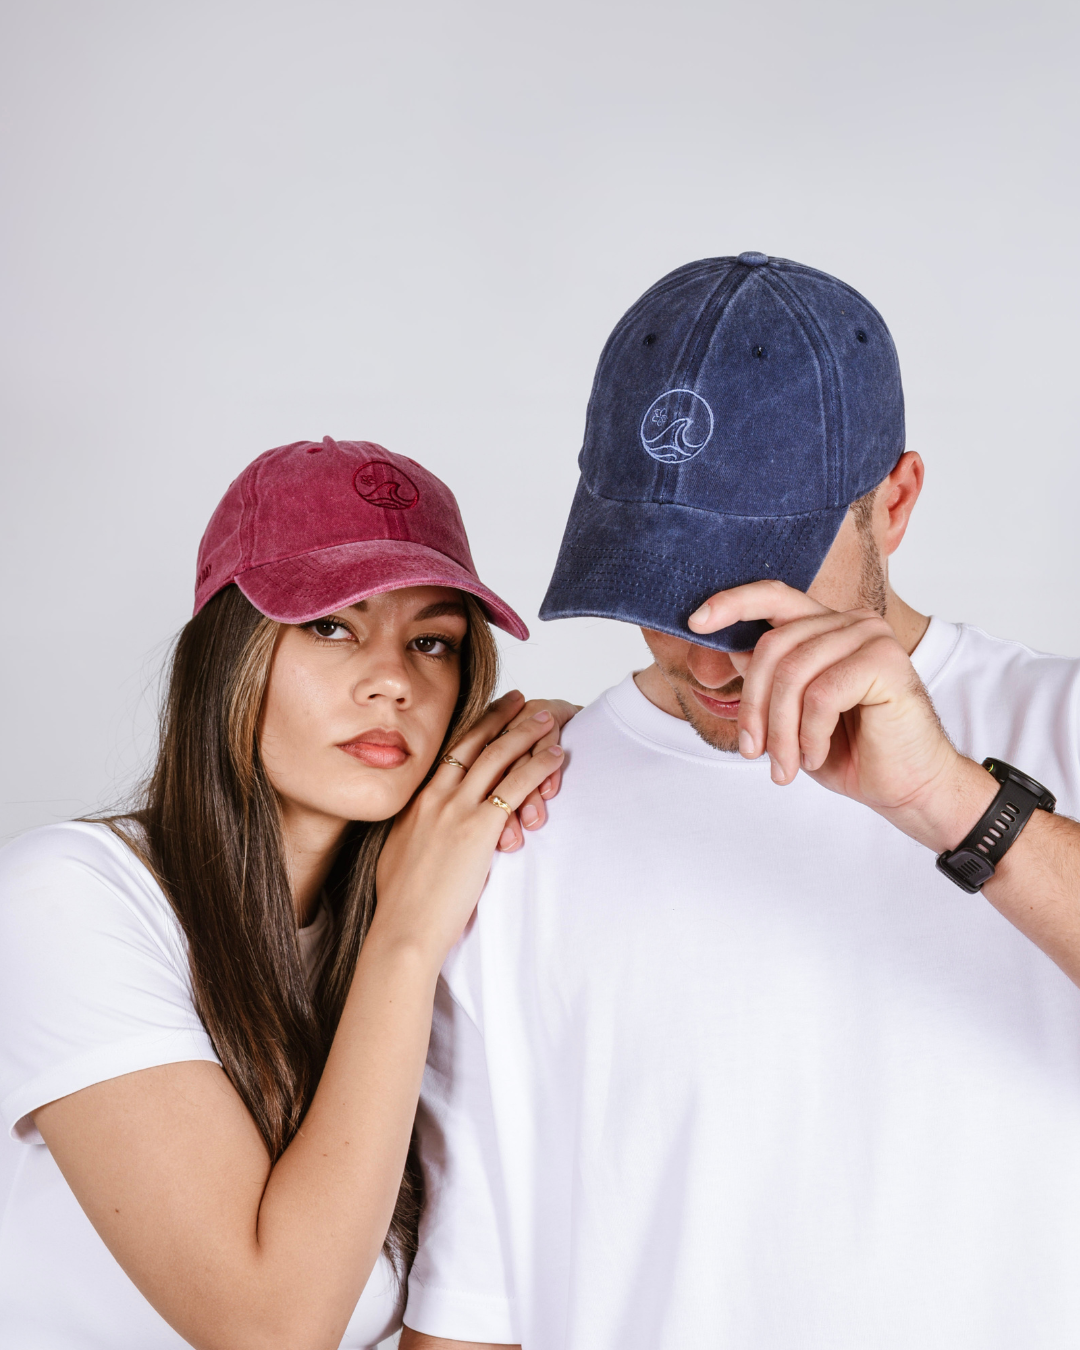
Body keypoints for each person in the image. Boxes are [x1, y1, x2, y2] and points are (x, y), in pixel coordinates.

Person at [399, 255, 1080, 1350]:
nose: (709, 654)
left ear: (894, 504)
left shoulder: (1062, 725)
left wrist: (956, 805)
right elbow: (475, 1300)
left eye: (755, 588)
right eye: (663, 586)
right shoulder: (524, 810)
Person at [0, 436, 576, 1349]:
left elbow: (476, 1302)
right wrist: (407, 936)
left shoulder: (446, 925)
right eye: (331, 625)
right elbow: (269, 1326)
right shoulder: (66, 898)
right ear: (227, 656)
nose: (394, 679)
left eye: (432, 641)